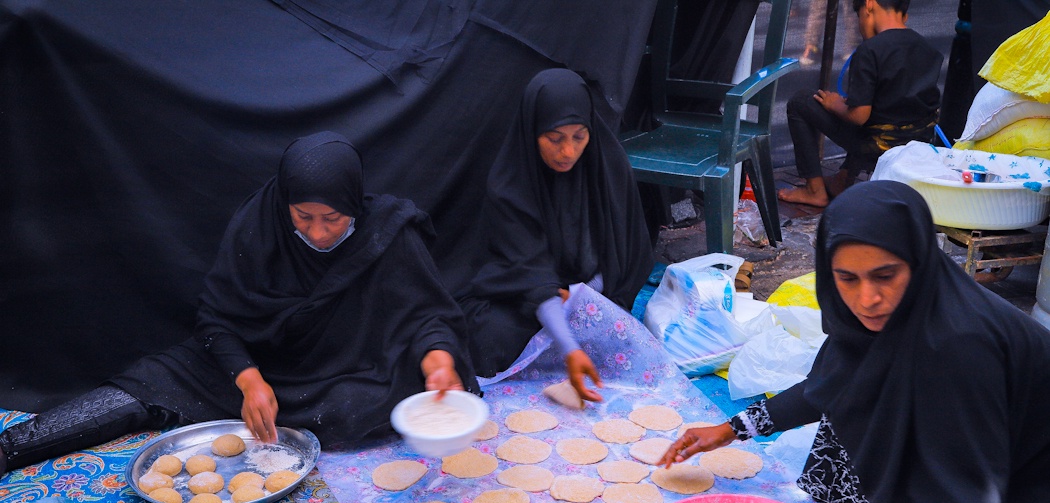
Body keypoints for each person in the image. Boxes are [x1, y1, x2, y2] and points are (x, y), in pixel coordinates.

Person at [662, 180, 1050, 503]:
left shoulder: (961, 346)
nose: (867, 298)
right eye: (847, 278)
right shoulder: (872, 316)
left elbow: (972, 494)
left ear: (919, 262)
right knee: (839, 448)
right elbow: (832, 387)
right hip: (956, 457)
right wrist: (732, 429)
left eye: (885, 275)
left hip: (1015, 495)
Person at [0, 132, 477, 475]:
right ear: (285, 204)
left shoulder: (388, 234)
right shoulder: (259, 226)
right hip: (260, 362)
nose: (317, 232)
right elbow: (216, 320)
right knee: (154, 380)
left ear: (354, 201)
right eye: (303, 216)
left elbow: (427, 315)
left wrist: (437, 360)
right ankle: (11, 447)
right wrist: (248, 379)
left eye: (333, 217)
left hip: (353, 366)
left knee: (363, 403)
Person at [453, 68, 653, 402]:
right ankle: (569, 358)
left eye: (579, 136)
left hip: (593, 297)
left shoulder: (607, 168)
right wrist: (569, 345)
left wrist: (581, 297)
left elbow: (622, 253)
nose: (568, 152)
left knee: (623, 338)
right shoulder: (510, 185)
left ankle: (569, 352)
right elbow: (525, 268)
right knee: (489, 336)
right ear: (532, 132)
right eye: (555, 138)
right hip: (527, 296)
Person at [778, 0, 942, 208]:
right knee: (866, 115)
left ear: (870, 5)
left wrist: (834, 104)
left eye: (858, 16)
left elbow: (859, 116)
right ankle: (843, 180)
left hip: (879, 146)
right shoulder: (927, 48)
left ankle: (814, 191)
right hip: (917, 144)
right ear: (904, 14)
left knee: (801, 101)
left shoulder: (870, 50)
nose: (860, 25)